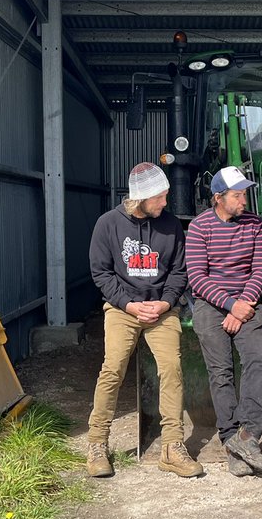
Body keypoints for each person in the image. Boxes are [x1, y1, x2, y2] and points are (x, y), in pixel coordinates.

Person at [85, 162, 202, 479]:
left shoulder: (171, 225)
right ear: (141, 198)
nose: (165, 202)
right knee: (113, 367)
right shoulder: (108, 224)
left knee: (172, 367)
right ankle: (97, 443)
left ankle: (172, 447)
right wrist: (130, 305)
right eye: (160, 197)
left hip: (161, 308)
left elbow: (179, 271)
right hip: (122, 308)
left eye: (166, 195)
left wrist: (165, 302)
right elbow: (101, 273)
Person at [185, 165, 262, 477]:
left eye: (245, 194)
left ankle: (248, 435)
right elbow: (197, 277)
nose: (244, 201)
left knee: (255, 361)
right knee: (220, 372)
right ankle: (229, 439)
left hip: (247, 302)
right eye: (237, 196)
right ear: (218, 197)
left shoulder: (255, 225)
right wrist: (230, 305)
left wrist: (243, 304)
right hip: (211, 304)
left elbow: (260, 269)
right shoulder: (199, 227)